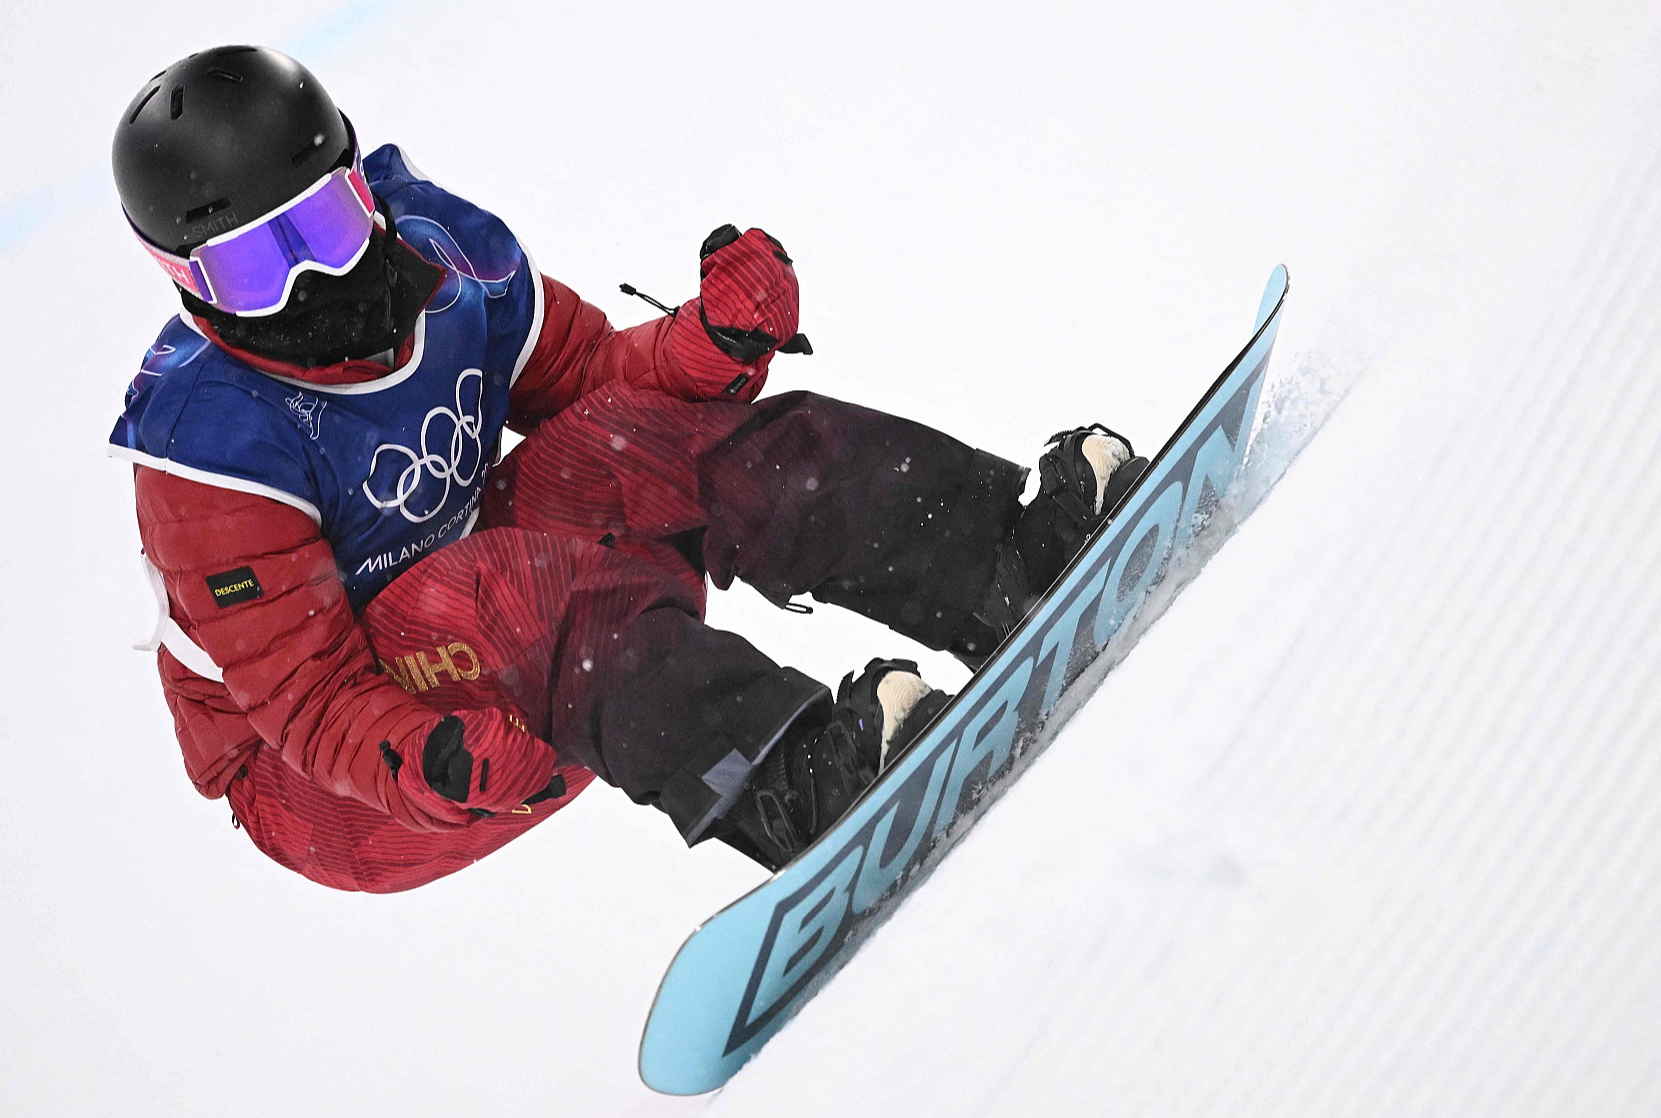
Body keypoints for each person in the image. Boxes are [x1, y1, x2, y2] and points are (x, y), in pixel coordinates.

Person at [110, 46, 1149, 893]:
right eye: (256, 266)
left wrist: (708, 346)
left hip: (540, 647)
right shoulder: (212, 450)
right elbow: (309, 705)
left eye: (326, 228)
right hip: (344, 781)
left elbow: (590, 377)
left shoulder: (444, 260)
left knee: (638, 434)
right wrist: (429, 762)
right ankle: (797, 781)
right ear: (188, 284)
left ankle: (1000, 566)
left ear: (357, 190)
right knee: (497, 587)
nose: (315, 279)